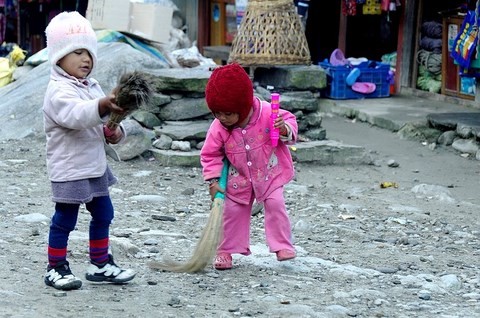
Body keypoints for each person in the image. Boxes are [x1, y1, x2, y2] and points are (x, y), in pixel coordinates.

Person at [42, 11, 135, 290]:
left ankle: (100, 263)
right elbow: (77, 115)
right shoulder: (57, 90)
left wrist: (114, 130)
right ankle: (55, 267)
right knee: (65, 219)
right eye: (77, 52)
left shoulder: (92, 86)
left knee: (104, 213)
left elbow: (98, 123)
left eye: (89, 53)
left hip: (94, 166)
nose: (86, 59)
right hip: (70, 168)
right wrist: (103, 106)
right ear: (59, 57)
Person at [201, 63, 298, 270]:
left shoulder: (266, 113)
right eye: (217, 113)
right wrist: (213, 180)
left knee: (276, 204)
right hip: (239, 179)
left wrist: (284, 128)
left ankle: (282, 245)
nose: (222, 118)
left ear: (243, 106)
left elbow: (290, 121)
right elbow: (210, 154)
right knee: (231, 211)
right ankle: (225, 251)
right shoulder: (218, 128)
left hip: (269, 173)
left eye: (227, 113)